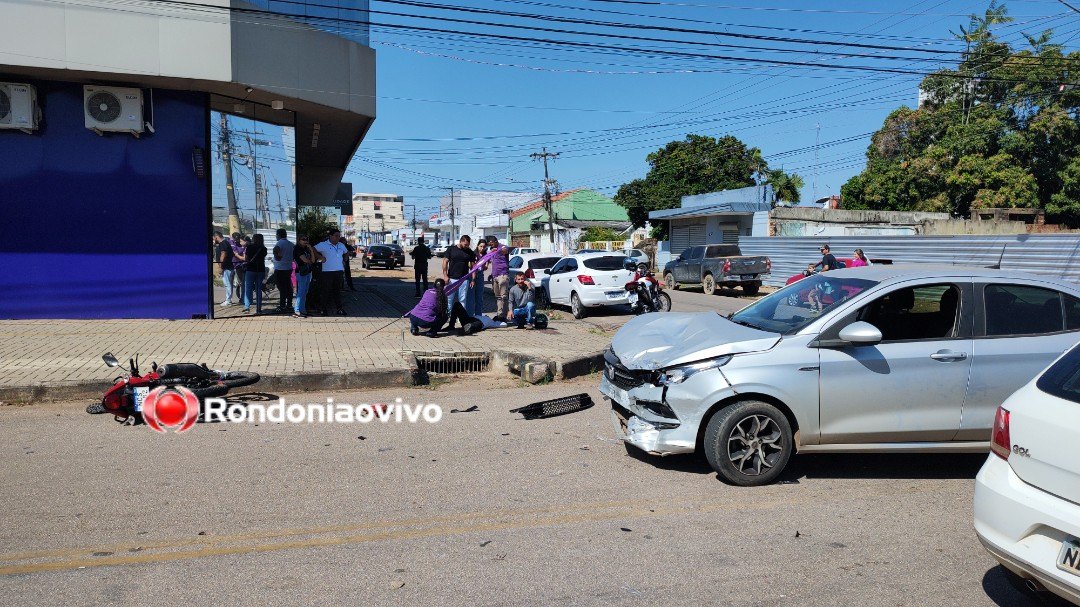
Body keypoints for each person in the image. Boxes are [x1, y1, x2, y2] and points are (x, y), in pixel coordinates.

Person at [442, 235, 476, 326]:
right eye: (465, 244)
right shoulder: (451, 249)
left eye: (468, 245)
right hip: (451, 279)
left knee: (463, 300)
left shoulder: (469, 252)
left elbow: (473, 267)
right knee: (449, 299)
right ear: (461, 241)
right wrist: (445, 276)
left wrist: (473, 279)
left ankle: (461, 319)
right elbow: (445, 261)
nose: (466, 246)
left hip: (464, 279)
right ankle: (447, 317)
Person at [315, 230, 349, 316]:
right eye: (336, 236)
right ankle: (323, 309)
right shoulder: (323, 245)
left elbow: (346, 252)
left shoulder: (341, 245)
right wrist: (320, 257)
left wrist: (345, 259)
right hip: (327, 272)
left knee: (337, 291)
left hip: (339, 271)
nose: (338, 238)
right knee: (325, 291)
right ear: (330, 236)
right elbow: (312, 248)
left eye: (339, 236)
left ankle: (339, 309)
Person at [292, 234, 324, 318]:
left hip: (308, 271)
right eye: (303, 239)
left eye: (306, 239)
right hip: (301, 272)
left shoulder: (306, 249)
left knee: (305, 292)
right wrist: (309, 260)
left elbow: (313, 260)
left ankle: (302, 309)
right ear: (299, 240)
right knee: (301, 291)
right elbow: (305, 260)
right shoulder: (297, 249)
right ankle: (297, 310)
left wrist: (310, 249)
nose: (305, 241)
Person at [486, 235, 511, 319]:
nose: (491, 246)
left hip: (503, 275)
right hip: (495, 276)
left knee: (504, 296)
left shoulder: (502, 247)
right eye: (490, 244)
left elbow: (505, 251)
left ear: (496, 241)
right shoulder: (492, 250)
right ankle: (500, 315)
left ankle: (505, 315)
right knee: (498, 297)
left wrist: (497, 250)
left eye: (492, 244)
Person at [243, 234, 268, 314]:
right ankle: (259, 308)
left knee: (248, 288)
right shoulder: (264, 249)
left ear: (254, 239)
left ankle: (247, 307)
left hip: (250, 269)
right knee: (258, 289)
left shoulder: (249, 247)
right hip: (260, 269)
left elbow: (246, 258)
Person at [272, 229, 294, 313]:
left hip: (280, 269)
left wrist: (277, 257)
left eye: (276, 235)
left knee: (282, 288)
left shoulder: (280, 243)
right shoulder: (291, 244)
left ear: (278, 235)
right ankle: (289, 304)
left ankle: (282, 305)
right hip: (288, 268)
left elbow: (275, 249)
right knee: (288, 287)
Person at [213, 231, 235, 306]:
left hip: (226, 267)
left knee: (227, 284)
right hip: (227, 267)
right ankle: (228, 300)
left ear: (216, 237)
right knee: (228, 284)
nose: (213, 240)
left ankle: (228, 300)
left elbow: (223, 254)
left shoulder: (223, 243)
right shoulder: (223, 243)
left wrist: (221, 266)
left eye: (213, 238)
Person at [471, 239, 488, 315]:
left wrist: (486, 265)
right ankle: (470, 314)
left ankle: (478, 314)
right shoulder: (473, 254)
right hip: (472, 276)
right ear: (477, 246)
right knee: (471, 296)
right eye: (480, 246)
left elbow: (486, 265)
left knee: (479, 297)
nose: (482, 248)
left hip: (480, 275)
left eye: (484, 247)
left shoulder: (486, 255)